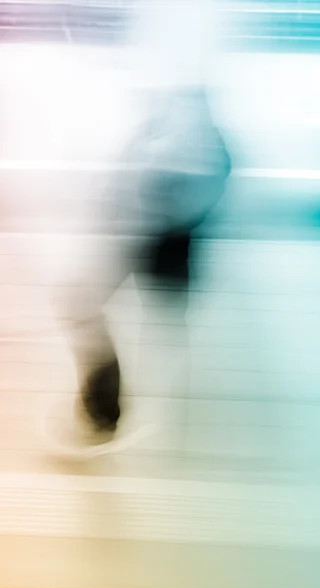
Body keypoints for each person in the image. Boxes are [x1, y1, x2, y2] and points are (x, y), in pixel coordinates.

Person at [49, 85, 231, 454]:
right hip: (140, 241)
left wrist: (144, 217)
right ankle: (110, 413)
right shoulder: (167, 132)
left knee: (85, 308)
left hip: (145, 243)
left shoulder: (187, 139)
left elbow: (175, 193)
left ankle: (107, 416)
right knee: (90, 310)